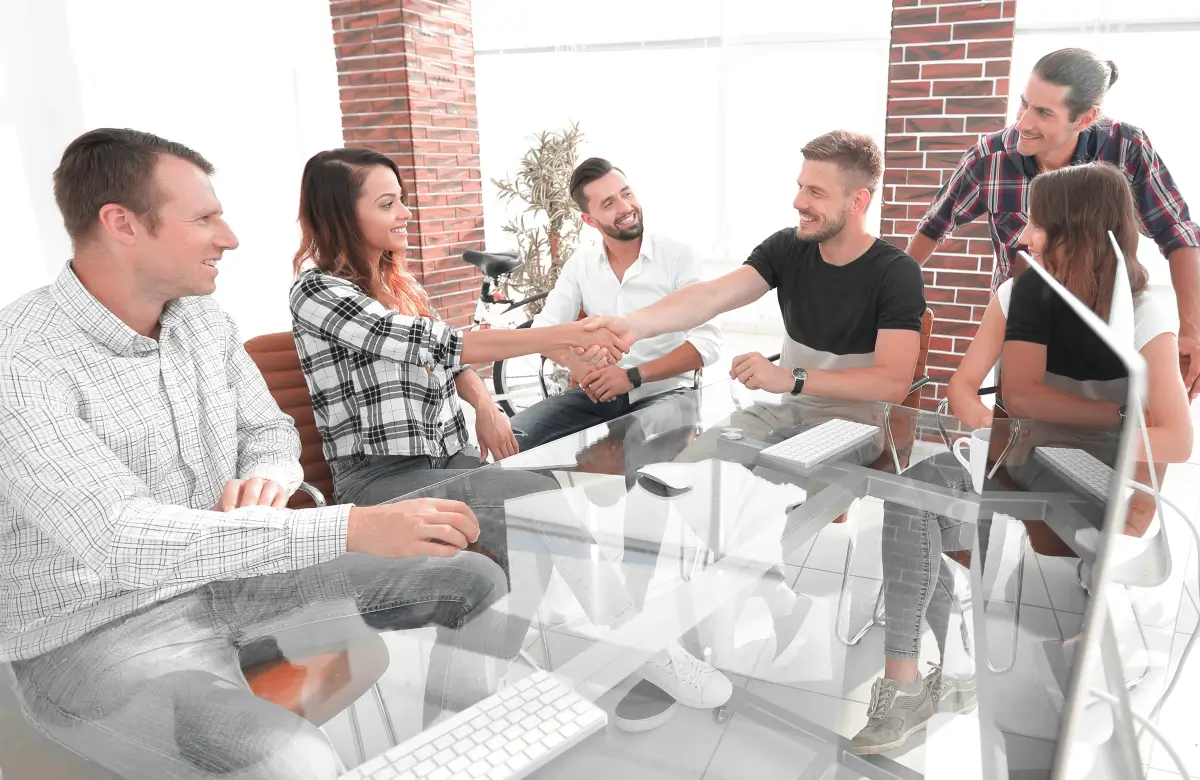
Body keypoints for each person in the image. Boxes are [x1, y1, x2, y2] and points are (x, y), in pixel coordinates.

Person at [0, 129, 517, 780]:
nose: (230, 237)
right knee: (293, 762)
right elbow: (120, 539)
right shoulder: (19, 363)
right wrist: (351, 525)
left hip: (239, 578)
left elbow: (269, 431)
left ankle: (455, 762)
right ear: (121, 224)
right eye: (205, 218)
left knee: (478, 582)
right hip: (99, 628)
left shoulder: (202, 322)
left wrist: (266, 475)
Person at [287, 148, 733, 716]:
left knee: (526, 542)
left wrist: (484, 406)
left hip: (451, 461)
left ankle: (469, 708)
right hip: (378, 483)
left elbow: (450, 359)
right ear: (340, 216)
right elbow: (439, 344)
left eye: (401, 198)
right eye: (387, 203)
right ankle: (641, 646)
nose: (405, 212)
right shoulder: (318, 292)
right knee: (537, 502)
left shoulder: (398, 284)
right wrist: (559, 340)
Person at [850, 161, 1192, 756]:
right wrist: (984, 422)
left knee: (952, 536)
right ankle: (911, 682)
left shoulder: (1143, 313)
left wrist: (1067, 428)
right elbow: (962, 388)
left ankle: (977, 666)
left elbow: (1176, 440)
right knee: (914, 496)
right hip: (1017, 474)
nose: (1021, 236)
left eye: (1037, 223)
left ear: (1077, 233)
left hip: (1099, 497)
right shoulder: (1018, 294)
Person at [907, 47, 1200, 397]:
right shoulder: (989, 158)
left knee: (1111, 435)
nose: (1023, 123)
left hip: (1110, 326)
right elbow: (931, 229)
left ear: (1086, 117)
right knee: (1016, 433)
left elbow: (1178, 234)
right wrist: (893, 298)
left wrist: (1192, 332)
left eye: (1044, 112)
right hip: (1023, 327)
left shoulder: (1127, 147)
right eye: (1024, 103)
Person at [588, 129, 926, 408]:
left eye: (816, 192)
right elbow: (712, 295)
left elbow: (891, 384)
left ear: (857, 202)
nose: (798, 202)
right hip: (787, 417)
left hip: (853, 429)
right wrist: (630, 325)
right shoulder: (787, 247)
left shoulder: (897, 273)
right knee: (692, 466)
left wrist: (791, 377)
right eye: (800, 187)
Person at [507, 157, 721, 450]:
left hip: (669, 393)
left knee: (626, 450)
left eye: (626, 193)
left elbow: (707, 343)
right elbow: (543, 330)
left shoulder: (679, 257)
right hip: (600, 395)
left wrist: (632, 377)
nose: (625, 207)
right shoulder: (581, 264)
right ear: (589, 220)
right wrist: (577, 365)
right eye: (608, 203)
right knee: (513, 436)